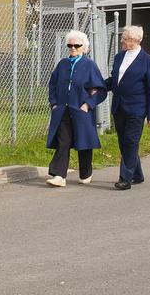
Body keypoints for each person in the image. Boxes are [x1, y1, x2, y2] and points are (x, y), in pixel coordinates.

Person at [102, 26, 150, 190]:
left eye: (125, 38)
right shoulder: (120, 57)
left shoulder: (148, 61)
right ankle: (137, 174)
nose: (122, 40)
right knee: (123, 142)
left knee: (131, 141)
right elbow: (114, 80)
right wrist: (98, 87)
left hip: (137, 108)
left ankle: (125, 178)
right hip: (119, 107)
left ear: (135, 41)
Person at [45, 29, 104, 187]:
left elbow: (101, 90)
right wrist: (54, 103)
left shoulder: (89, 65)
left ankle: (86, 172)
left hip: (81, 111)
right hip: (63, 110)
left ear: (84, 47)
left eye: (76, 45)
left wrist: (88, 105)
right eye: (70, 45)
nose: (72, 48)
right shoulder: (62, 64)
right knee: (63, 141)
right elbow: (52, 84)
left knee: (83, 142)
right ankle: (59, 175)